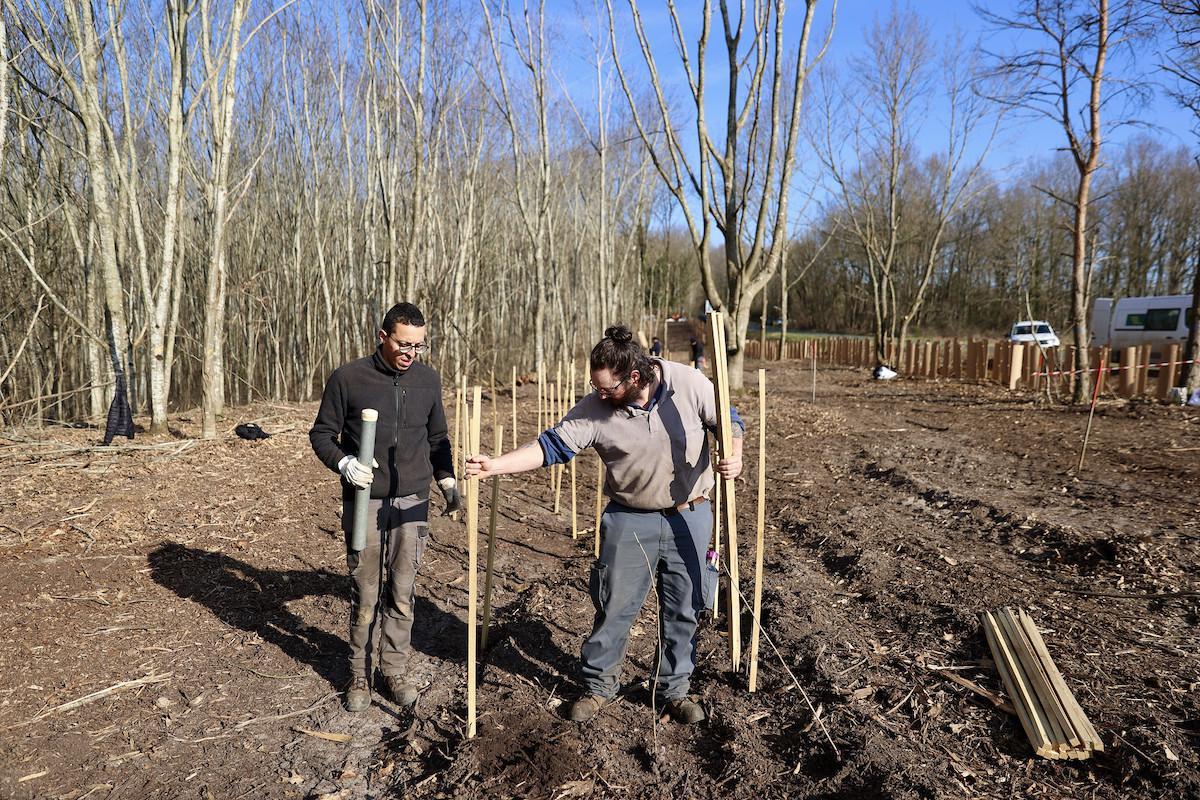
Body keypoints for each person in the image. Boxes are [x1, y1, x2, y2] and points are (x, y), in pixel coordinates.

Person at [465, 325, 743, 725]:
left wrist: (734, 452)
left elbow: (729, 419)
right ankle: (599, 688)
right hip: (629, 518)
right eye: (596, 388)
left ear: (635, 377)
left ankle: (674, 690)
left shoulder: (688, 382)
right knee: (614, 607)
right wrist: (496, 466)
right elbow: (550, 446)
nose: (600, 395)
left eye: (607, 388)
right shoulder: (596, 408)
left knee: (685, 607)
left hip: (690, 513)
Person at [309, 302, 463, 712]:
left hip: (412, 499)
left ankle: (393, 670)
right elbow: (322, 434)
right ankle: (358, 674)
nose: (410, 353)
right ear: (382, 336)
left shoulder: (428, 381)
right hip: (365, 500)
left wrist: (446, 479)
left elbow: (438, 438)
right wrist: (344, 463)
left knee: (402, 589)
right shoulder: (349, 378)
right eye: (403, 343)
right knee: (365, 591)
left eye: (418, 345)